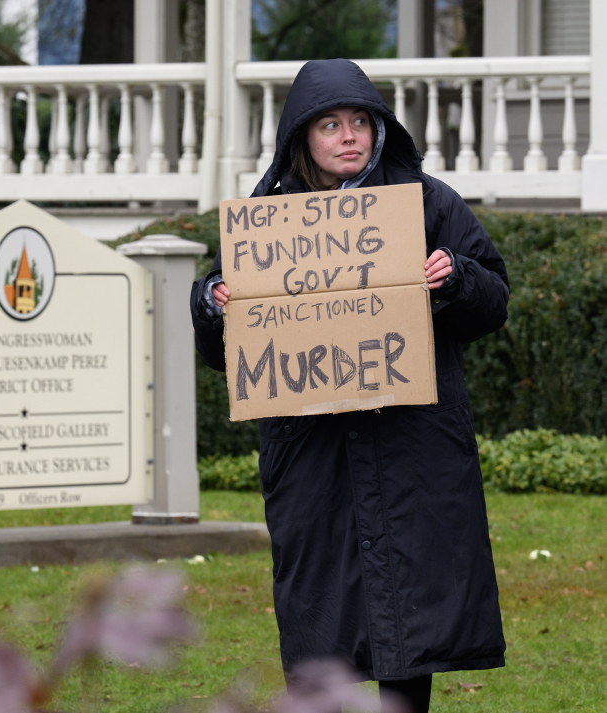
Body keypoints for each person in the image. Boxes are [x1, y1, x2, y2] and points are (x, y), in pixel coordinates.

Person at [190, 59, 509, 713]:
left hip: (413, 448)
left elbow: (494, 301)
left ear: (379, 127)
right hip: (314, 456)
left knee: (411, 619)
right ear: (301, 137)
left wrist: (456, 279)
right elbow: (223, 352)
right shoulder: (266, 222)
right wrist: (211, 302)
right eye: (330, 124)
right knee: (323, 614)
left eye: (359, 120)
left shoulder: (430, 204)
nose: (347, 135)